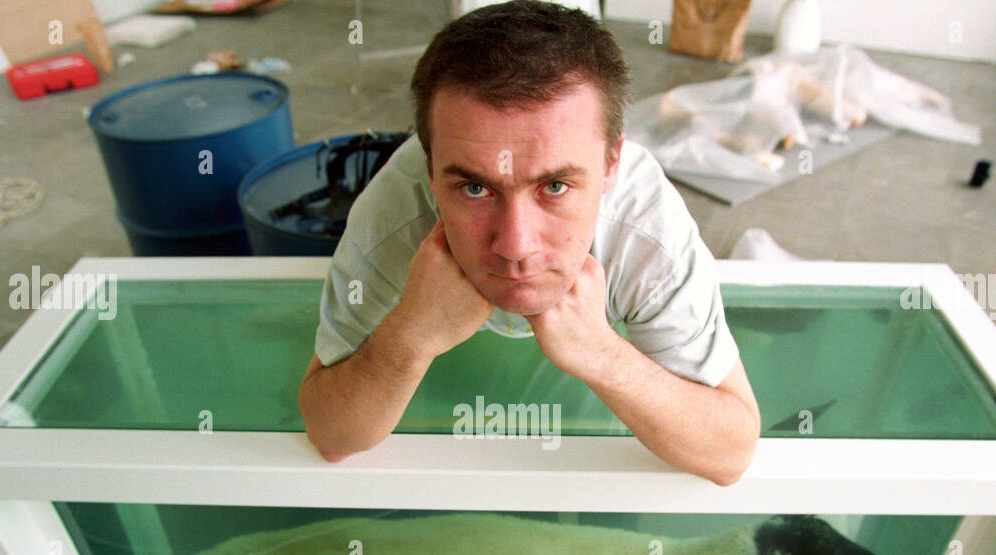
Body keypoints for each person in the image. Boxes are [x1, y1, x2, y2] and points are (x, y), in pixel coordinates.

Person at [298, 0, 760, 485]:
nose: (516, 245)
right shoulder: (392, 217)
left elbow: (729, 453)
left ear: (610, 164)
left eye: (555, 186)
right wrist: (412, 334)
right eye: (475, 188)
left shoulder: (645, 230)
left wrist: (603, 354)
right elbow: (332, 436)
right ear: (430, 171)